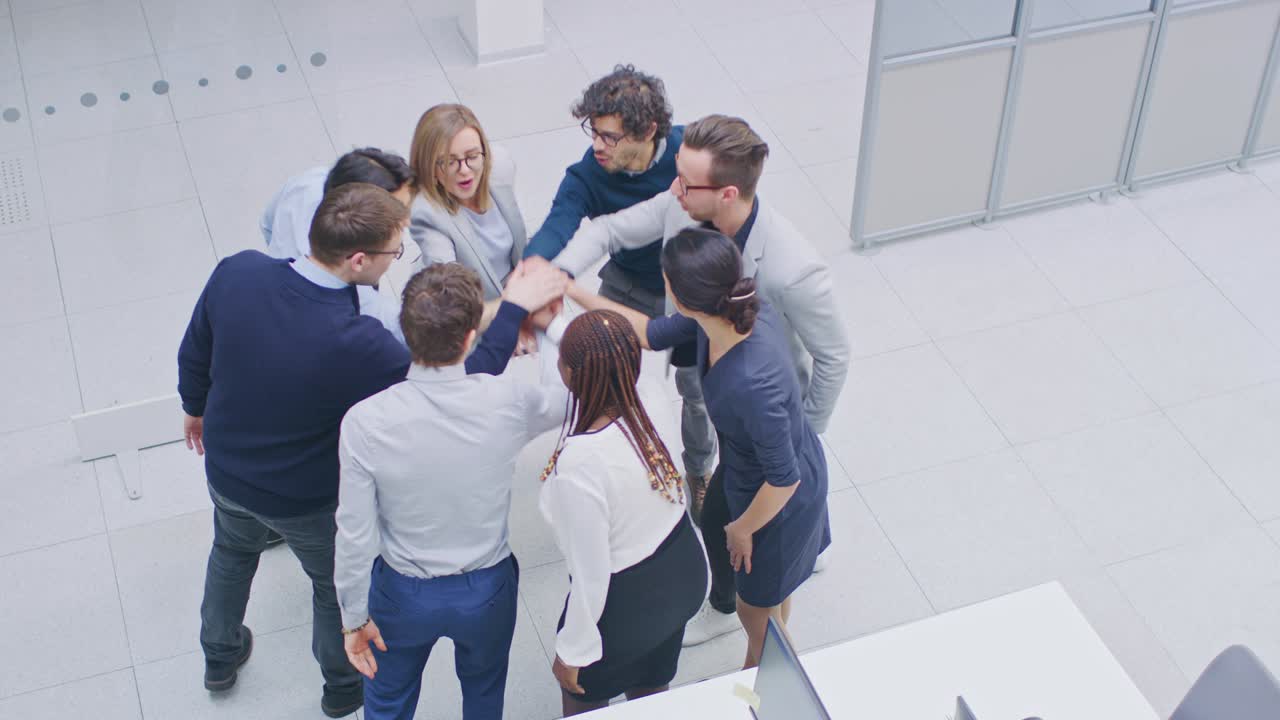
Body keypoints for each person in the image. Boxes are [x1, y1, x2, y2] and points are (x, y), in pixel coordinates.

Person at [178, 184, 564, 718]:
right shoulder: (357, 342)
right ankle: (340, 686)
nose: (394, 260)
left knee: (231, 553)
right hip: (303, 500)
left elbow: (195, 345)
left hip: (226, 472)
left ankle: (218, 655)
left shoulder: (237, 271)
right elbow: (461, 377)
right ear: (359, 259)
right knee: (323, 583)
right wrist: (520, 311)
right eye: (394, 251)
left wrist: (194, 407)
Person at [549, 114, 850, 646]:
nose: (673, 190)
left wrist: (795, 436)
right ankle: (754, 599)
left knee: (765, 644)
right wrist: (570, 289)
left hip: (774, 465)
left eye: (686, 183)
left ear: (727, 192)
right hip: (754, 452)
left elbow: (829, 366)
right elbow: (651, 329)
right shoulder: (726, 303)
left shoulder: (786, 279)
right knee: (742, 562)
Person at [569, 228, 830, 670]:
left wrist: (744, 529)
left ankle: (762, 695)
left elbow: (784, 479)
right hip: (749, 469)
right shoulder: (725, 315)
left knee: (758, 624)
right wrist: (571, 289)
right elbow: (649, 332)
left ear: (679, 293)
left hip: (777, 501)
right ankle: (771, 621)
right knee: (760, 591)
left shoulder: (752, 382)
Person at [336, 262, 570, 720]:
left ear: (405, 332)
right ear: (469, 338)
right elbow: (568, 394)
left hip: (402, 593)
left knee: (386, 703)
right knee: (484, 697)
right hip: (485, 588)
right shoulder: (507, 400)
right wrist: (546, 325)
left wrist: (353, 618)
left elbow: (354, 534)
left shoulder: (364, 421)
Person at [522, 65, 717, 495]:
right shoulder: (587, 174)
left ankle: (699, 471)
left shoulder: (690, 156)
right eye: (593, 132)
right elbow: (559, 225)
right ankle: (623, 475)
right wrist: (533, 271)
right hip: (624, 286)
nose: (596, 146)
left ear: (647, 131)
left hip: (688, 298)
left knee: (697, 393)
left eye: (609, 136)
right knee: (605, 380)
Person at [540, 310, 709, 716]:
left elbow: (591, 574)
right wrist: (551, 322)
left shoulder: (582, 462)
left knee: (588, 705)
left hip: (626, 601)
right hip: (683, 569)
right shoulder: (648, 391)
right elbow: (604, 352)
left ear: (571, 375)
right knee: (653, 686)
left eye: (561, 361)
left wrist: (573, 649)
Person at [261, 147, 417, 342]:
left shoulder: (310, 182)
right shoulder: (363, 306)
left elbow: (266, 223)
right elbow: (407, 339)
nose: (406, 222)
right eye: (397, 213)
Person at [409, 103, 528, 303]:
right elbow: (451, 290)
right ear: (429, 168)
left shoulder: (499, 167)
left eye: (472, 156)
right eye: (449, 161)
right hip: (478, 308)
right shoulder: (426, 214)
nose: (464, 170)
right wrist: (514, 303)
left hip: (516, 287)